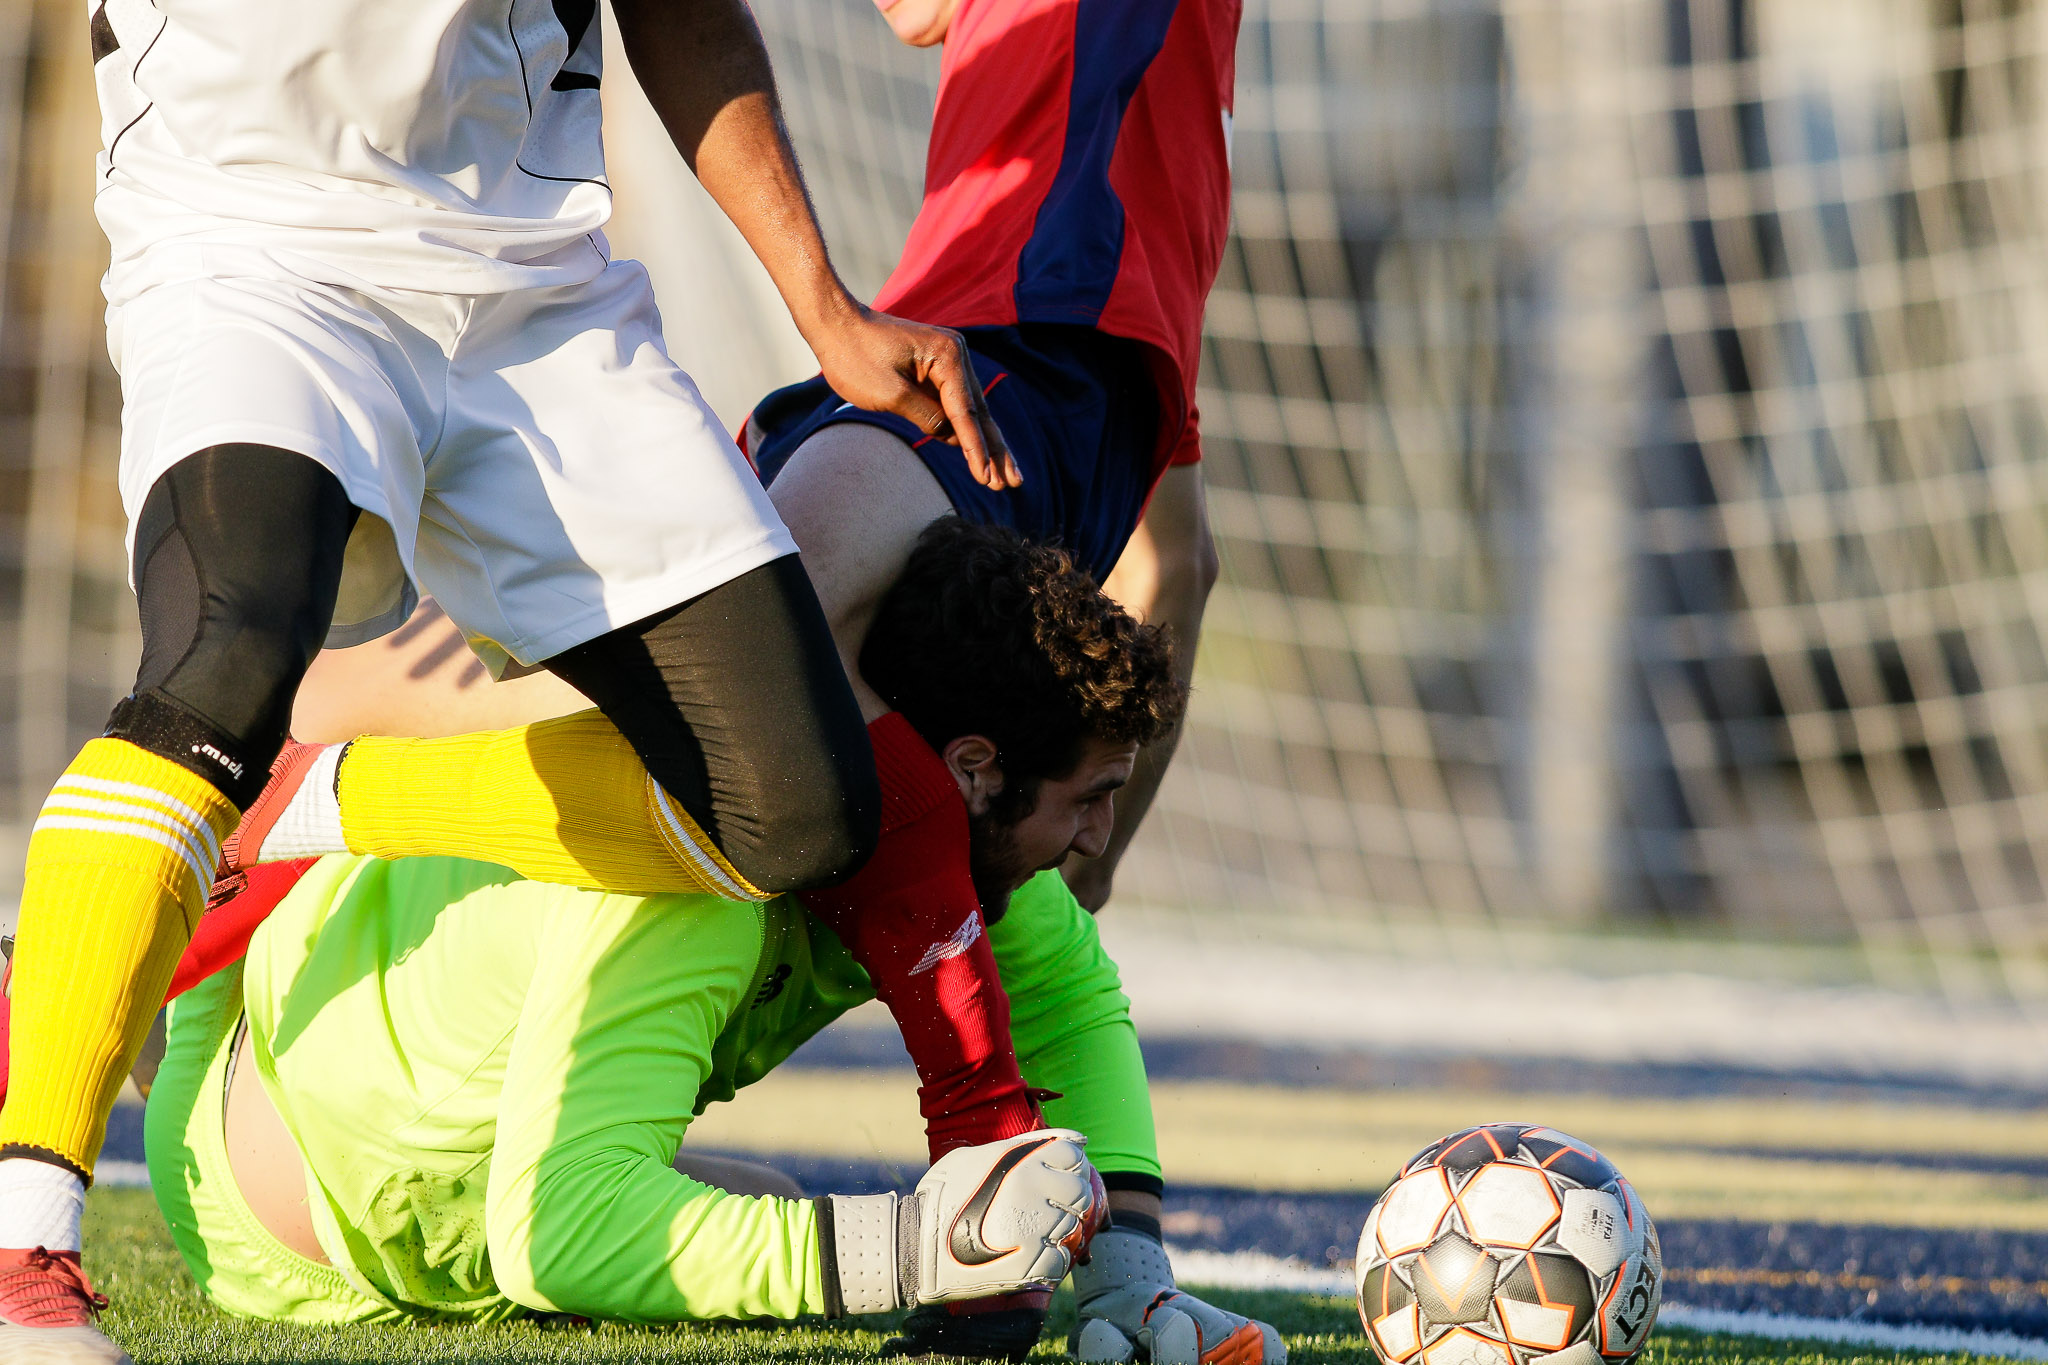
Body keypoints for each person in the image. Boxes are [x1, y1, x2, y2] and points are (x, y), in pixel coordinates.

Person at [0, 0, 1018, 1352]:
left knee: (793, 810)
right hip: (247, 232)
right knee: (226, 661)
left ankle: (329, 798)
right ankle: (24, 1259)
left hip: (526, 281)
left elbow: (685, 15)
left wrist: (820, 306)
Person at [225, 0, 1238, 1196]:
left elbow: (1178, 567)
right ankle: (265, 810)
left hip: (1043, 371)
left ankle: (251, 814)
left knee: (740, 729)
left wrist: (1093, 863)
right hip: (1007, 343)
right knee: (726, 697)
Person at [143, 524, 1282, 1363]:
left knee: (762, 1203)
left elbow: (1076, 1012)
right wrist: (911, 1247)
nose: (1097, 843)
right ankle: (109, 974)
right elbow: (556, 1230)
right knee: (745, 1243)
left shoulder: (971, 855)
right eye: (1089, 800)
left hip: (347, 1017)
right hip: (275, 1224)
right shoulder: (707, 872)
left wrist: (1128, 1280)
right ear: (974, 771)